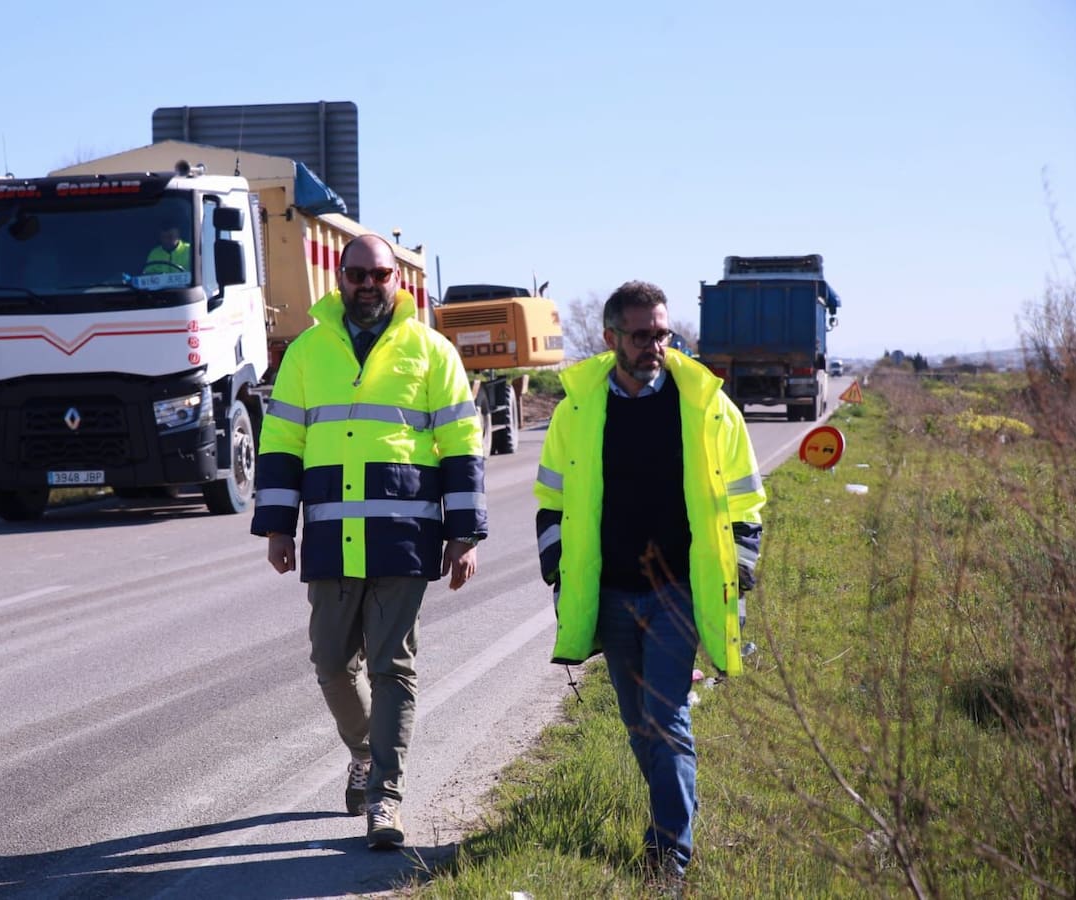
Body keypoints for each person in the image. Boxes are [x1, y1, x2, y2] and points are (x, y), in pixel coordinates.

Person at [251, 233, 487, 851]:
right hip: (330, 536)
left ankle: (385, 798)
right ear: (340, 278)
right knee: (331, 664)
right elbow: (280, 444)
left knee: (392, 668)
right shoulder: (306, 352)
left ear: (395, 281)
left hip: (403, 540)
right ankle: (364, 751)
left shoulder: (430, 351)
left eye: (379, 275)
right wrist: (279, 526)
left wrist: (461, 534)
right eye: (357, 274)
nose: (368, 284)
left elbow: (463, 447)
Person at [533, 280, 765, 886]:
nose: (655, 345)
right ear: (611, 338)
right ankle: (668, 825)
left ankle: (670, 855)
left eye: (662, 333)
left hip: (679, 595)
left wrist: (740, 569)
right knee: (639, 726)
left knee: (666, 719)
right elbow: (550, 502)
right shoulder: (577, 410)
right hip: (610, 593)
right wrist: (558, 572)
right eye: (641, 335)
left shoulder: (707, 406)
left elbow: (746, 501)